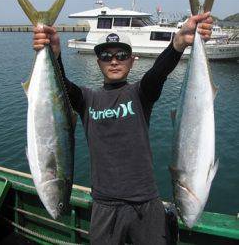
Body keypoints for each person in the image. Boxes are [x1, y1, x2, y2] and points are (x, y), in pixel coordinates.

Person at [33, 12, 213, 245]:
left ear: (132, 59)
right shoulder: (88, 100)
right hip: (104, 206)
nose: (114, 61)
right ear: (98, 62)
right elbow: (61, 88)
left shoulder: (140, 94)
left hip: (146, 204)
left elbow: (158, 73)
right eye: (106, 56)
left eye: (121, 55)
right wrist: (54, 54)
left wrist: (178, 43)